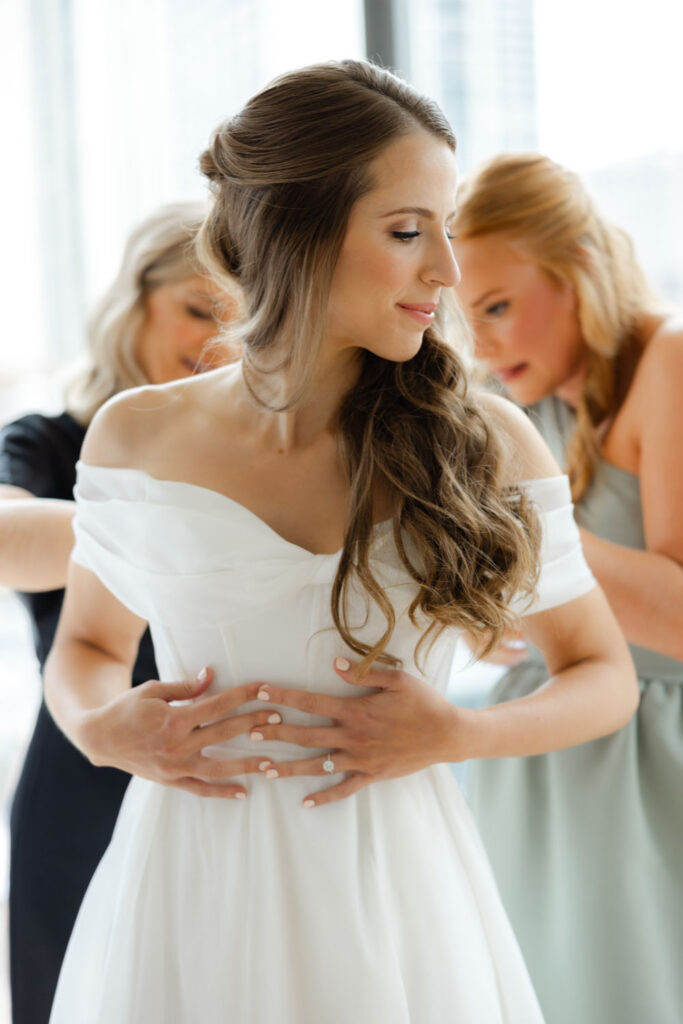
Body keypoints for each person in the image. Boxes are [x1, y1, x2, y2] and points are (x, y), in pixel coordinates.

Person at [44, 63, 637, 1024]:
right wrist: (99, 729)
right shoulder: (137, 436)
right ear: (296, 232)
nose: (445, 271)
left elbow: (601, 674)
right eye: (407, 232)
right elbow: (87, 645)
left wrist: (463, 735)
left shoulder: (487, 442)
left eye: (444, 230)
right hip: (192, 888)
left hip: (400, 892)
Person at [452, 153, 683, 1024]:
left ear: (578, 269)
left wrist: (521, 532)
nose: (480, 345)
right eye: (463, 318)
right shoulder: (521, 402)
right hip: (541, 765)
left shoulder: (669, 359)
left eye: (497, 307)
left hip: (647, 766)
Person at [0, 200, 241, 1024]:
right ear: (133, 300)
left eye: (241, 323)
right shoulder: (46, 441)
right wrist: (171, 527)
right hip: (81, 775)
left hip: (217, 786)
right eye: (198, 310)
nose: (216, 342)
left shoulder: (253, 456)